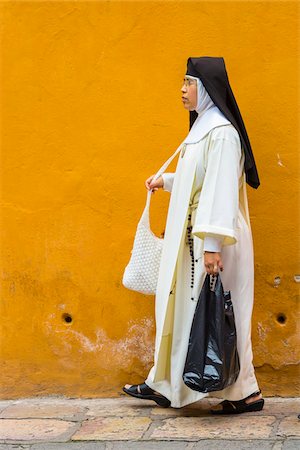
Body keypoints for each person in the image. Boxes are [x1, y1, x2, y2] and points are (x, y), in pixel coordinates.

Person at [123, 56, 264, 414]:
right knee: (185, 313)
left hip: (215, 245)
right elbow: (199, 180)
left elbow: (220, 192)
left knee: (221, 317)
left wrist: (213, 247)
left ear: (205, 88)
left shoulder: (223, 135)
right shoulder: (203, 130)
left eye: (188, 83)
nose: (182, 90)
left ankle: (246, 393)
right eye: (183, 83)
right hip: (196, 241)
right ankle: (168, 384)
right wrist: (167, 182)